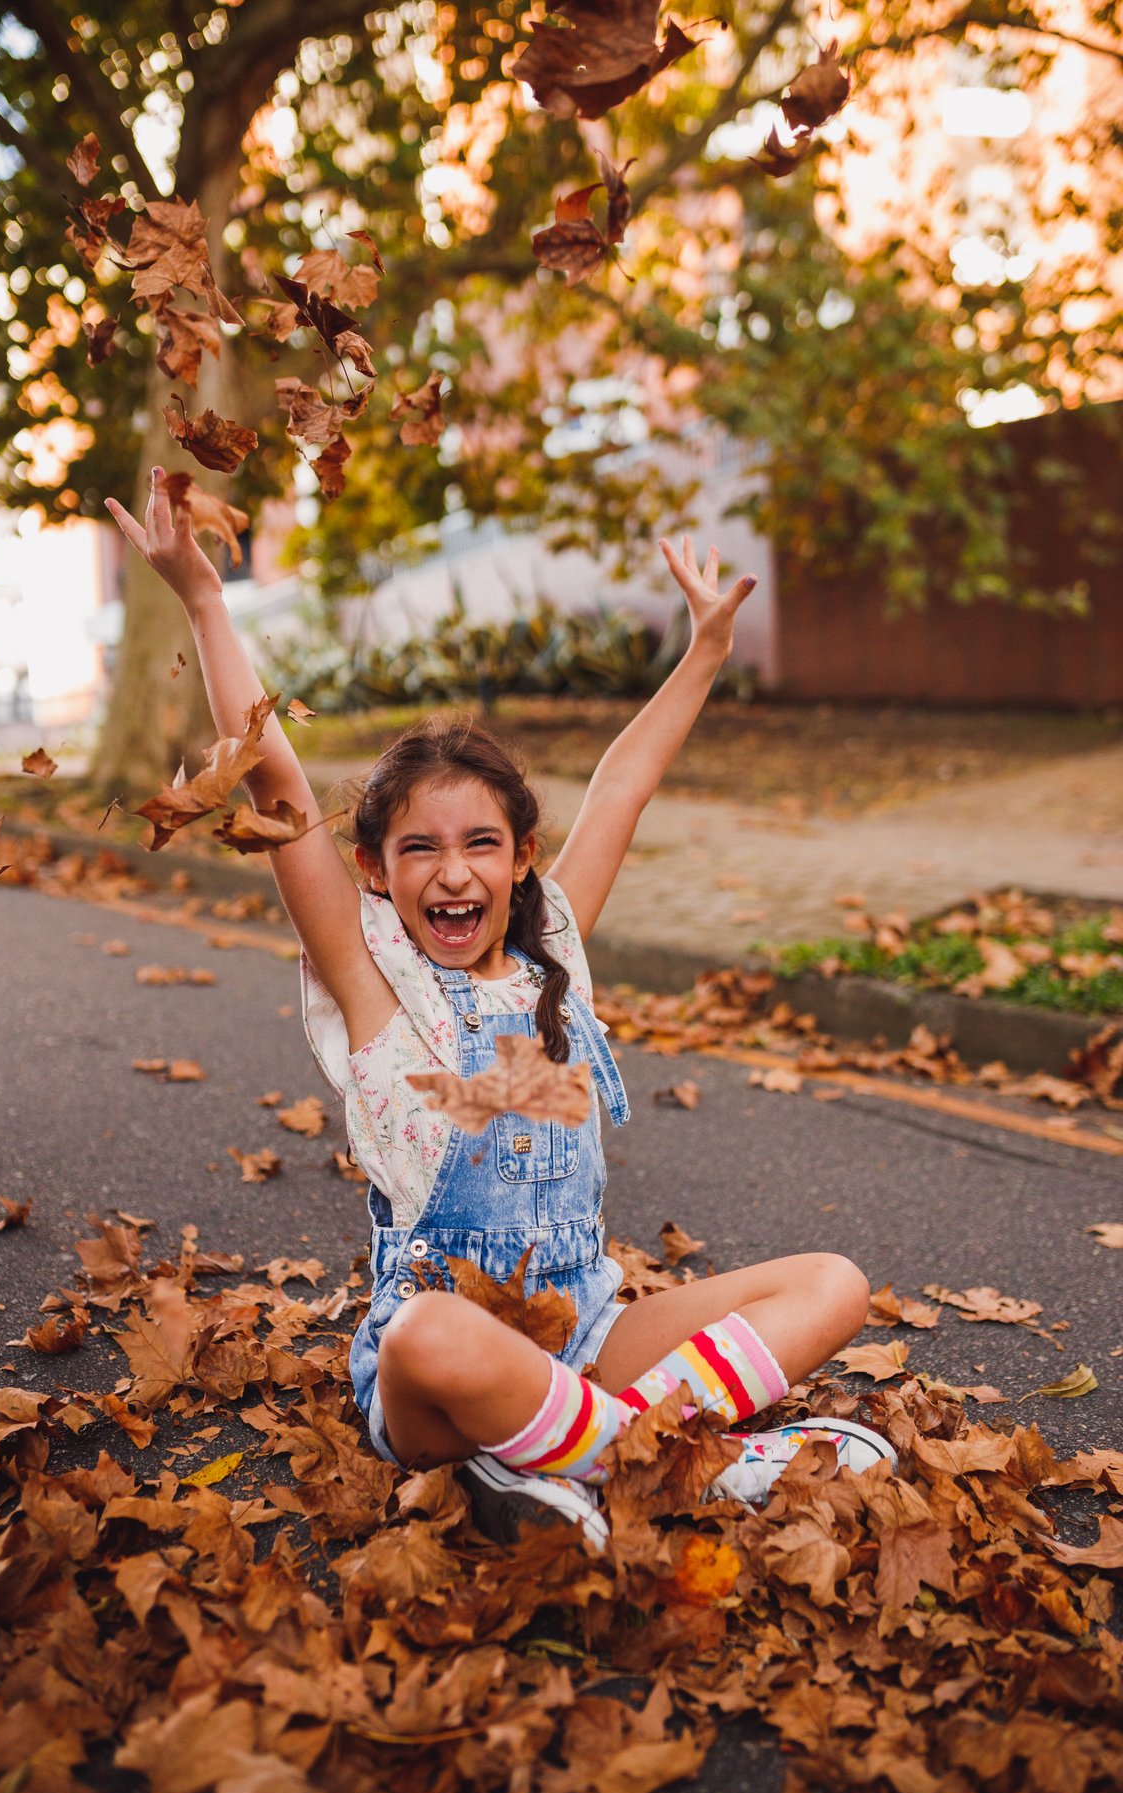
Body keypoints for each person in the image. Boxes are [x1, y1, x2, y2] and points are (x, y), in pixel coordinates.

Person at [107, 471, 893, 1548]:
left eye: (481, 843)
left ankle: (573, 1456)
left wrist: (705, 652)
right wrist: (205, 602)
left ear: (522, 861)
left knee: (832, 1282)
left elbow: (621, 784)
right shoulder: (374, 989)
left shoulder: (552, 954)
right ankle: (684, 1465)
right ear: (375, 873)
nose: (453, 871)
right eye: (418, 848)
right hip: (443, 1365)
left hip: (585, 1325)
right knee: (431, 1334)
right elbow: (278, 788)